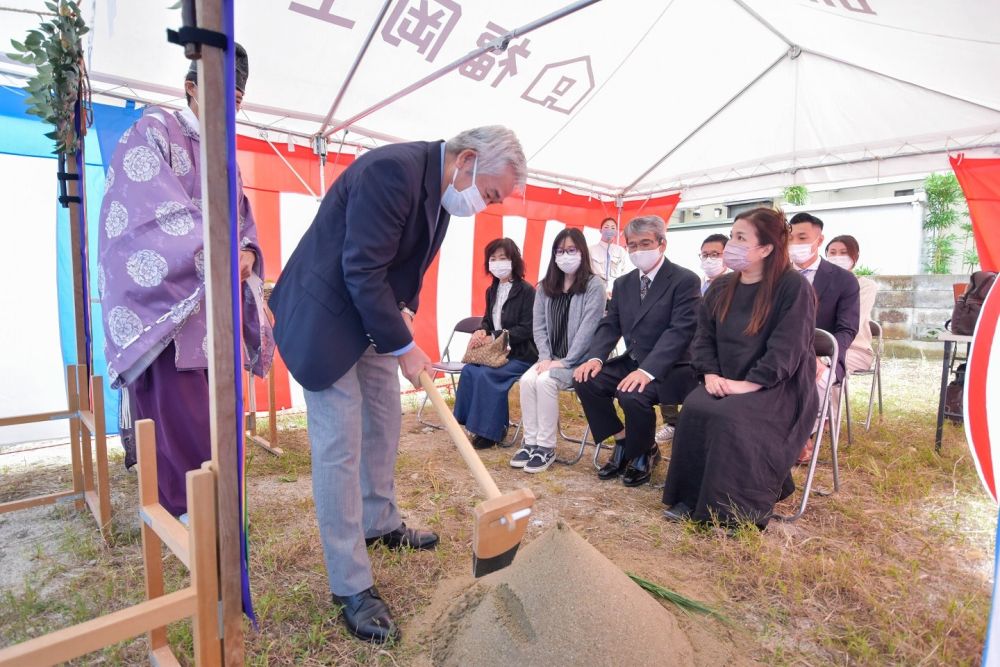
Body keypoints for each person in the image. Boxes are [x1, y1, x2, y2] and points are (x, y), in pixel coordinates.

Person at [268, 127, 525, 643]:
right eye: (491, 192)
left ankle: (379, 522)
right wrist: (406, 347)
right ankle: (351, 584)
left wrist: (404, 315)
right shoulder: (393, 171)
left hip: (370, 318)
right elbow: (361, 268)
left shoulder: (441, 195)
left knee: (384, 422)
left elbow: (404, 269)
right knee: (340, 446)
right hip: (326, 319)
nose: (486, 204)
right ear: (468, 160)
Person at [97, 44, 273, 519]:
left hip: (214, 309)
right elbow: (143, 220)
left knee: (221, 415)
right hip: (168, 311)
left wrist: (250, 254)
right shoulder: (152, 131)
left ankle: (219, 508)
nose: (228, 106)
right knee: (179, 415)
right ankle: (182, 512)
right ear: (190, 88)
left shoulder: (225, 157)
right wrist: (218, 253)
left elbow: (244, 225)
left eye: (235, 98)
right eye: (219, 92)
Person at [661, 208, 818, 529]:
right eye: (732, 235)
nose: (731, 243)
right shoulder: (721, 288)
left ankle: (734, 509)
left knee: (731, 416)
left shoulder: (792, 287)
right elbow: (703, 339)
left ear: (765, 248)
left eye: (740, 238)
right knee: (693, 406)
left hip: (777, 388)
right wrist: (710, 375)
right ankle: (691, 500)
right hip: (724, 379)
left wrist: (749, 385)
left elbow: (787, 349)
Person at [573, 215, 701, 487]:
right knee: (586, 380)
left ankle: (644, 451)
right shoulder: (624, 283)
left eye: (646, 243)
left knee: (631, 392)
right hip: (634, 359)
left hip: (673, 367)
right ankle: (622, 440)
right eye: (632, 245)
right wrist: (595, 357)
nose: (638, 251)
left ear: (662, 244)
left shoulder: (685, 280)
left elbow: (680, 331)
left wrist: (647, 371)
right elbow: (611, 324)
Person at [509, 228, 605, 473]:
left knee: (544, 383)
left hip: (578, 361)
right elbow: (538, 326)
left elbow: (589, 327)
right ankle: (530, 441)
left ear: (582, 251)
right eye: (560, 251)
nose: (565, 255)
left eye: (571, 250)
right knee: (528, 379)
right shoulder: (545, 287)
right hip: (549, 359)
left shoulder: (594, 286)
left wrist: (566, 361)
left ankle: (546, 447)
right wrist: (545, 358)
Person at [787, 213, 859, 463]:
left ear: (819, 240)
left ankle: (803, 434)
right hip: (783, 353)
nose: (795, 243)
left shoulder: (843, 280)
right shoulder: (778, 275)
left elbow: (847, 329)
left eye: (802, 237)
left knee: (819, 379)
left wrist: (825, 360)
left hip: (825, 357)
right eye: (791, 237)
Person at [454, 238, 538, 449]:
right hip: (496, 353)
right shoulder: (491, 291)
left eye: (503, 258)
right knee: (470, 371)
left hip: (521, 354)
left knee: (487, 375)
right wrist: (482, 330)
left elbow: (527, 328)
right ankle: (468, 424)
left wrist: (497, 335)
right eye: (493, 259)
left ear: (514, 261)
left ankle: (491, 432)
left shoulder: (527, 291)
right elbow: (487, 320)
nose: (498, 262)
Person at [654, 232, 730, 445]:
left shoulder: (733, 285)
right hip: (688, 346)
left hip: (715, 352)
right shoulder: (694, 283)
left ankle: (694, 425)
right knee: (664, 362)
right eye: (704, 254)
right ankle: (672, 422)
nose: (709, 259)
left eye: (715, 254)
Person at [826, 235, 877, 373]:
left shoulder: (865, 286)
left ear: (855, 257)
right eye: (832, 252)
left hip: (854, 349)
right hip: (819, 347)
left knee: (825, 369)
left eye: (844, 253)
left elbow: (851, 322)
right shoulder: (819, 284)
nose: (837, 257)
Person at [589, 216, 633, 298]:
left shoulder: (621, 251)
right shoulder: (590, 250)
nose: (609, 230)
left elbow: (625, 272)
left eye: (613, 228)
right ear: (600, 230)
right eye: (606, 227)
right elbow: (587, 273)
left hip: (616, 293)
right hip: (595, 292)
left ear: (616, 232)